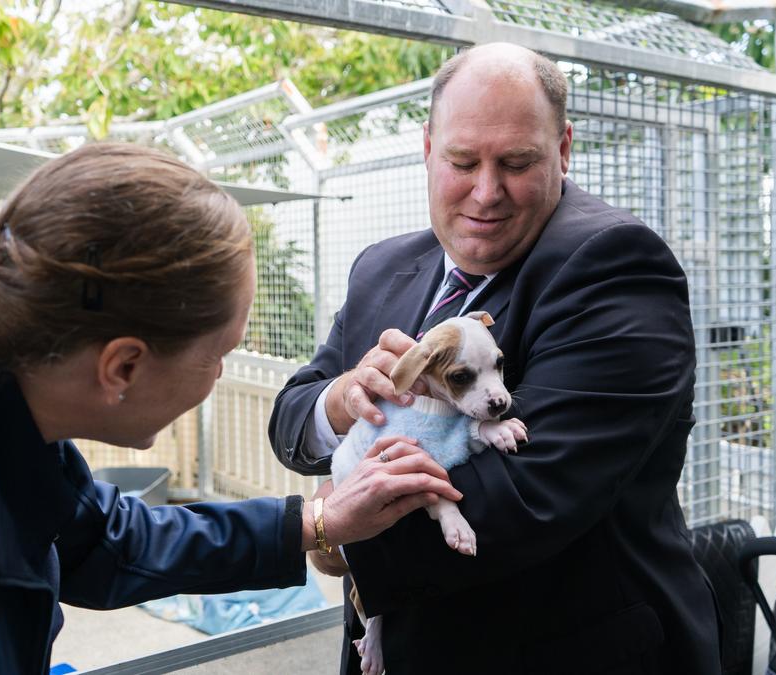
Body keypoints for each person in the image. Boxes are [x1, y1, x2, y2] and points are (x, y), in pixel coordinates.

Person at [0, 143, 464, 674]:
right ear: (124, 366)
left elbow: (98, 539)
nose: (225, 370)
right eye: (219, 352)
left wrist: (316, 520)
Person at [268, 43, 722, 674]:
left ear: (563, 150)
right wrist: (344, 400)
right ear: (427, 148)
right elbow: (292, 417)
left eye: (516, 162)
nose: (486, 192)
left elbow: (527, 492)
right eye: (462, 160)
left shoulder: (615, 265)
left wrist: (332, 533)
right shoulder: (381, 269)